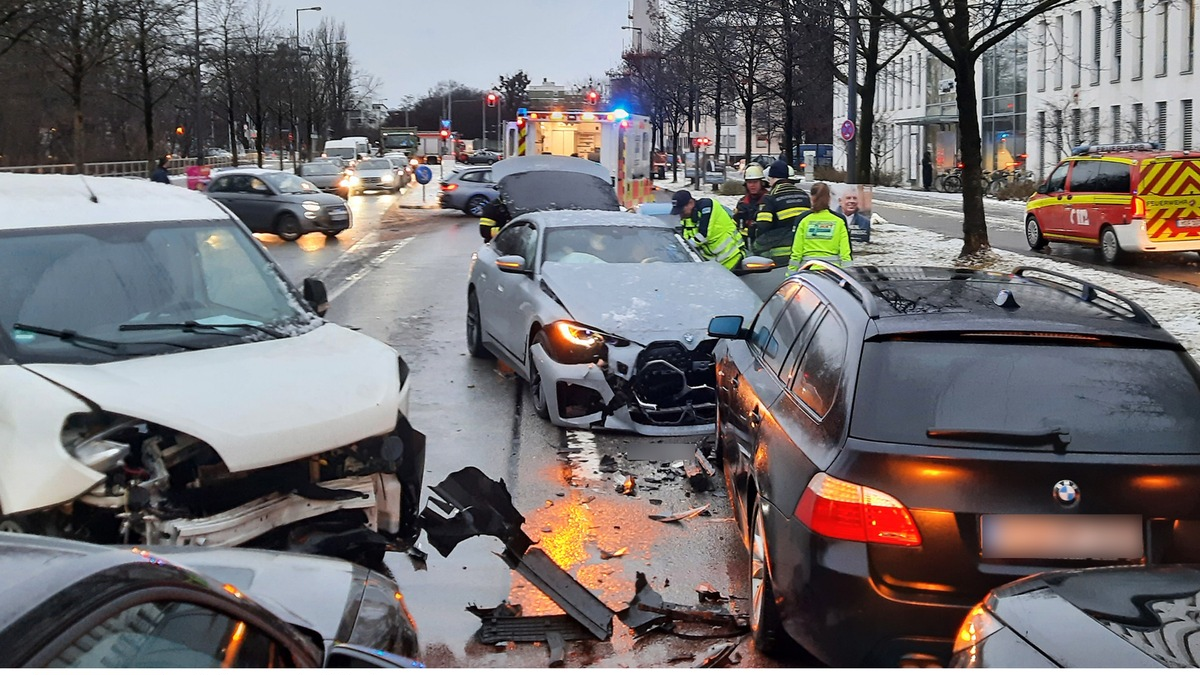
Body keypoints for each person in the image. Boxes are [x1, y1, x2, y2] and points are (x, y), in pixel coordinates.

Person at [753, 160, 811, 263]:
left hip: (780, 254)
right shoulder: (803, 195)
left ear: (771, 178)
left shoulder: (770, 197)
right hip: (804, 251)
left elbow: (763, 225)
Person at [670, 189, 744, 270]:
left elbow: (704, 234)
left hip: (732, 259)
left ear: (691, 203)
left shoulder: (707, 205)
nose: (681, 215)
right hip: (713, 266)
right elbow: (686, 238)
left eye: (682, 211)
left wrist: (684, 246)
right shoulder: (686, 219)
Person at [788, 182, 852, 273]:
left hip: (807, 271)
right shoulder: (839, 221)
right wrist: (848, 275)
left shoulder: (803, 220)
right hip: (833, 272)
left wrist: (790, 274)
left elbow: (796, 252)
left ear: (812, 198)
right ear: (829, 198)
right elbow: (846, 253)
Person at [734, 164, 768, 241]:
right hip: (745, 243)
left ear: (761, 183)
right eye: (749, 182)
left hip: (764, 244)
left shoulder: (769, 200)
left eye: (755, 182)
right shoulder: (742, 202)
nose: (752, 185)